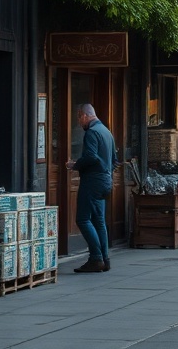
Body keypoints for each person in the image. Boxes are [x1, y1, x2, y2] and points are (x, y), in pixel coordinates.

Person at [66, 103, 118, 273]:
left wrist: (75, 165)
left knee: (83, 219)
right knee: (99, 221)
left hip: (93, 181)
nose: (79, 123)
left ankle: (96, 258)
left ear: (84, 115)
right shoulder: (107, 132)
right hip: (106, 180)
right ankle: (105, 258)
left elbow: (91, 157)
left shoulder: (92, 132)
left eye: (78, 118)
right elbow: (114, 161)